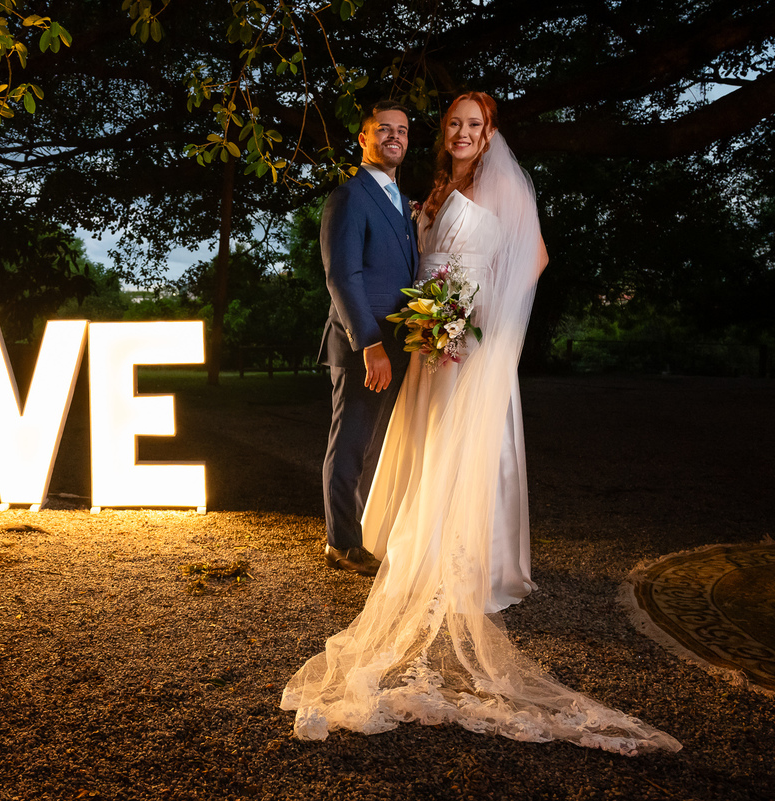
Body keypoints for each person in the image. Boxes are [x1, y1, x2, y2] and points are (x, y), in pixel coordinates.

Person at [282, 92, 681, 754]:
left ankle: (469, 559)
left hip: (460, 337)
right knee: (418, 438)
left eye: (474, 124)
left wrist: (481, 315)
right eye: (454, 124)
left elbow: (534, 258)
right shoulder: (418, 189)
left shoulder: (491, 187)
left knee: (462, 443)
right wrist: (419, 320)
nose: (462, 132)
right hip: (417, 336)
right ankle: (364, 539)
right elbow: (368, 268)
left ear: (488, 133)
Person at [318, 100, 418, 577]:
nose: (394, 136)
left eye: (402, 130)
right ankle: (341, 543)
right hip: (365, 344)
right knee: (351, 443)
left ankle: (364, 530)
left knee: (374, 445)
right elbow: (342, 275)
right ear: (363, 139)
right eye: (383, 129)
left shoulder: (402, 202)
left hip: (399, 344)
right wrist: (370, 344)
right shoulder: (349, 197)